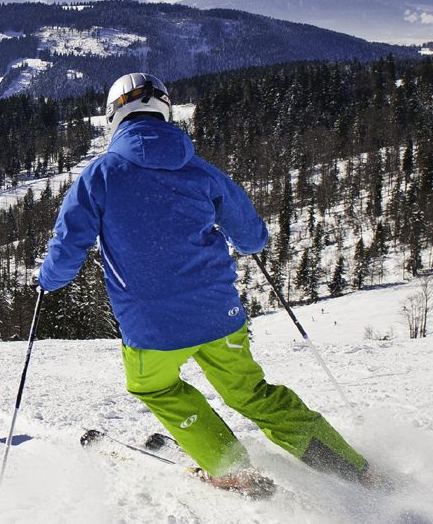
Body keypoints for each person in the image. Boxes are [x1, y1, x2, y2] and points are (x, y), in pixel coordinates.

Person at [38, 73, 368, 495]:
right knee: (252, 393)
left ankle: (229, 467)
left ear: (113, 116)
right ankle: (352, 469)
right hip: (220, 313)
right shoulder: (201, 171)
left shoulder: (100, 176)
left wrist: (48, 281)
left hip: (151, 325)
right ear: (165, 112)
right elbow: (251, 238)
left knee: (154, 386)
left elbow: (68, 247)